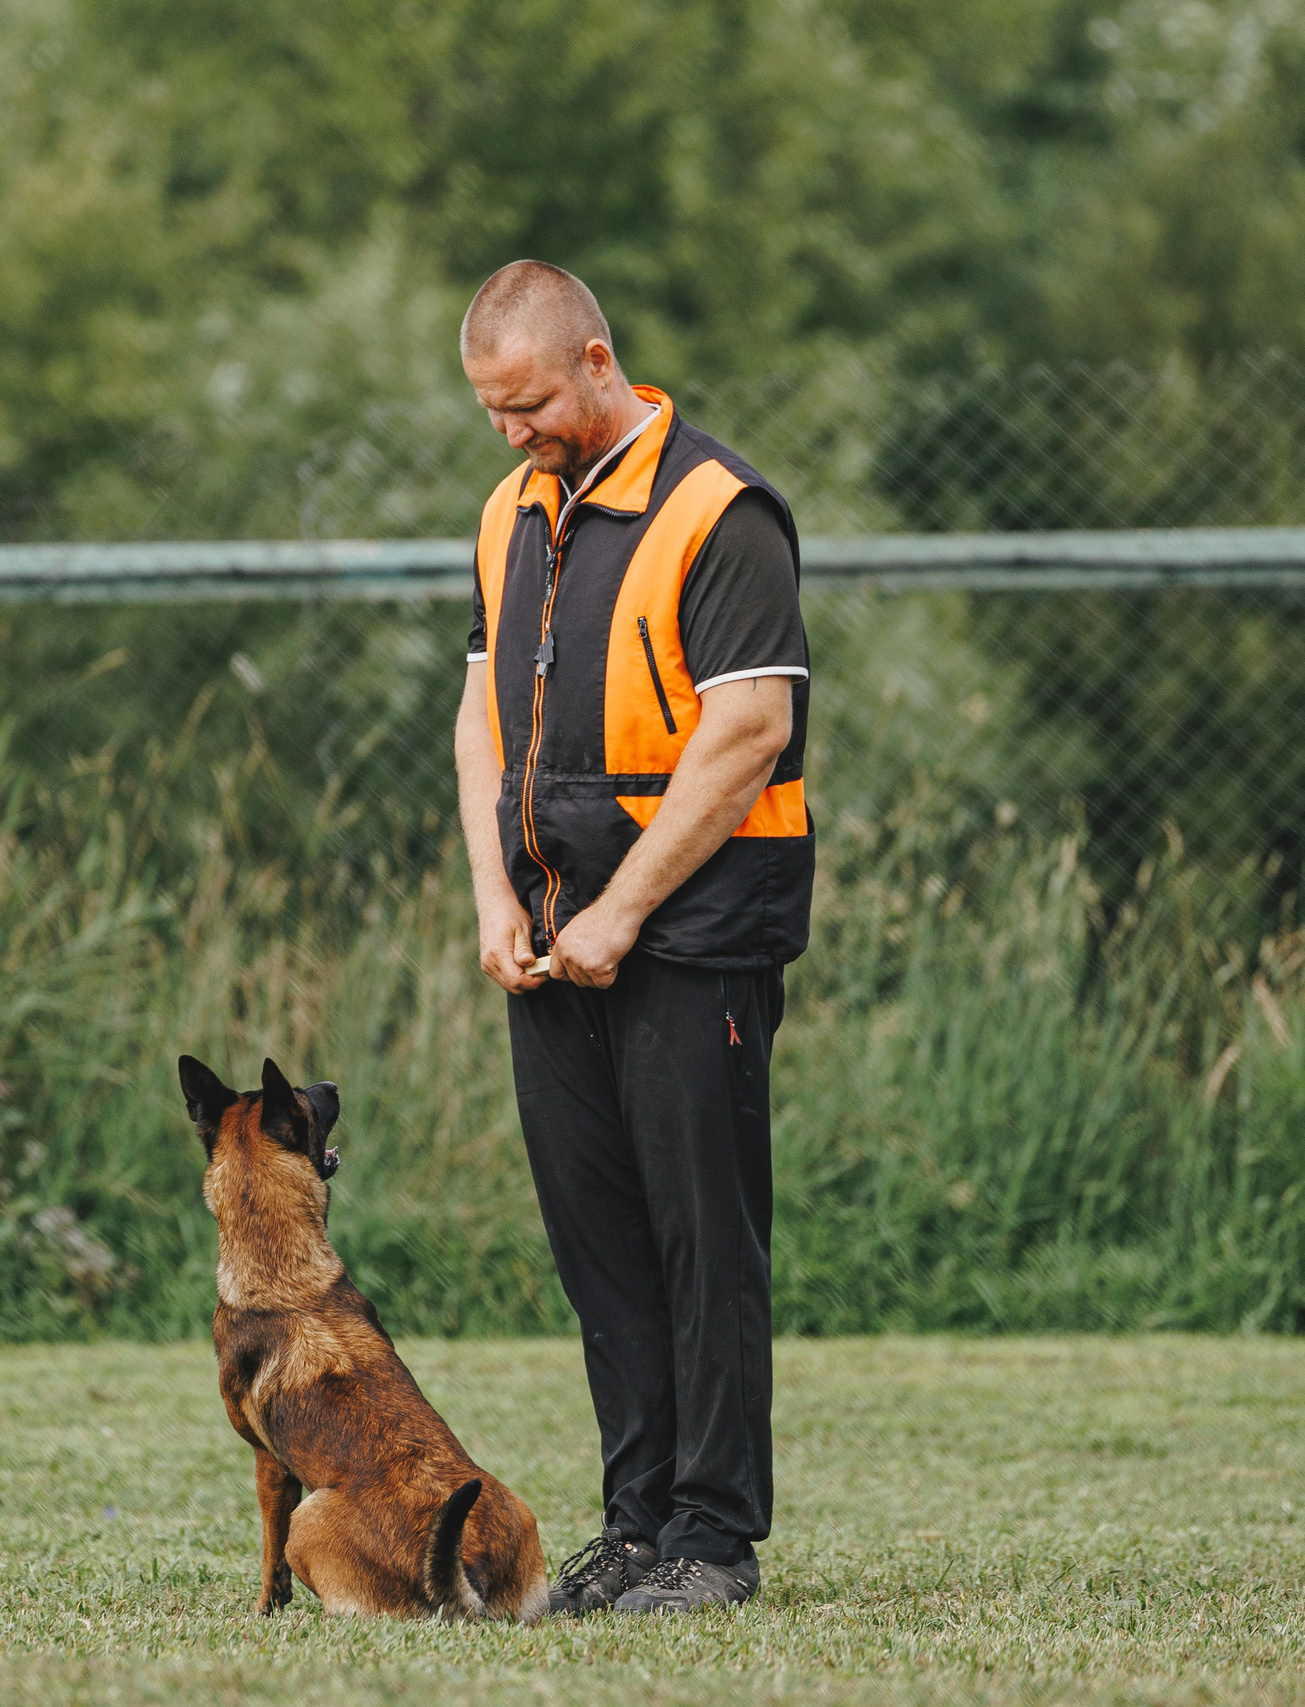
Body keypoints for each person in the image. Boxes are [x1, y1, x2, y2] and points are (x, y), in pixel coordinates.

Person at [453, 261, 812, 1615]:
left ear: (598, 362)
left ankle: (715, 1536)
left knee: (701, 1240)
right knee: (599, 1242)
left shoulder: (722, 511)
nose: (514, 433)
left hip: (695, 933)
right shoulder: (512, 511)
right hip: (553, 939)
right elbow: (481, 716)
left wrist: (625, 912)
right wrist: (497, 898)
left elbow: (750, 730)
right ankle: (640, 1527)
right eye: (493, 411)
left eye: (531, 404)